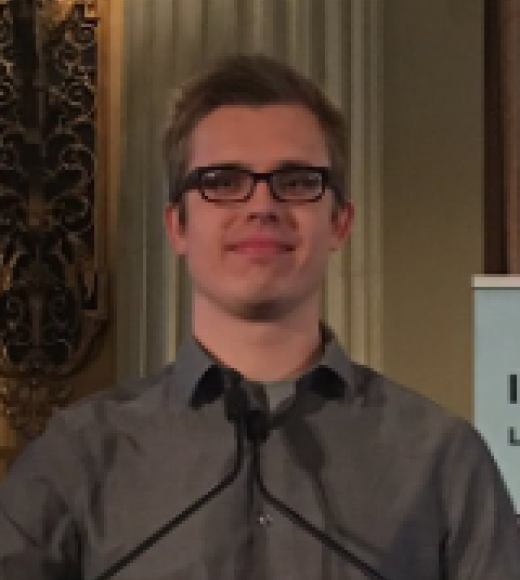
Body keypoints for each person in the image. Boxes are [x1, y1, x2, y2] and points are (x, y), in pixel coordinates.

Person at [0, 54, 518, 580]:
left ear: (340, 222)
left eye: (296, 181)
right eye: (224, 181)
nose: (262, 205)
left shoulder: (442, 461)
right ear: (178, 226)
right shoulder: (77, 456)